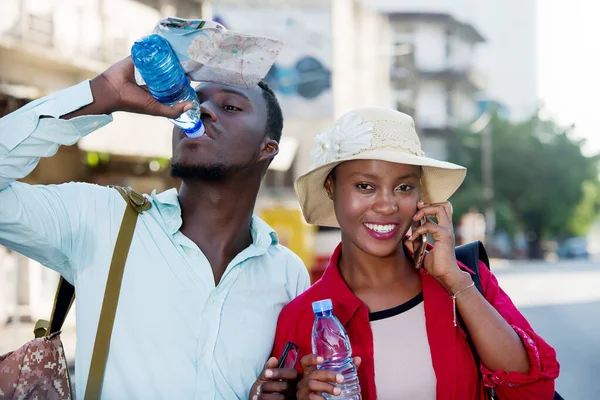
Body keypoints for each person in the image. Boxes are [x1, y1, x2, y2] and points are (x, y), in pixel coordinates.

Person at [0, 57, 309, 399]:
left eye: (231, 106)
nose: (203, 110)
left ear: (267, 149)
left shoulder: (287, 275)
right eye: (196, 100)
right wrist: (103, 94)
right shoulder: (103, 219)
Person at [269, 108, 560, 399]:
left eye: (404, 187)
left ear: (420, 197)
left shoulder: (465, 279)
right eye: (365, 186)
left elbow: (534, 391)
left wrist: (456, 283)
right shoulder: (299, 319)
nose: (387, 205)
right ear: (331, 187)